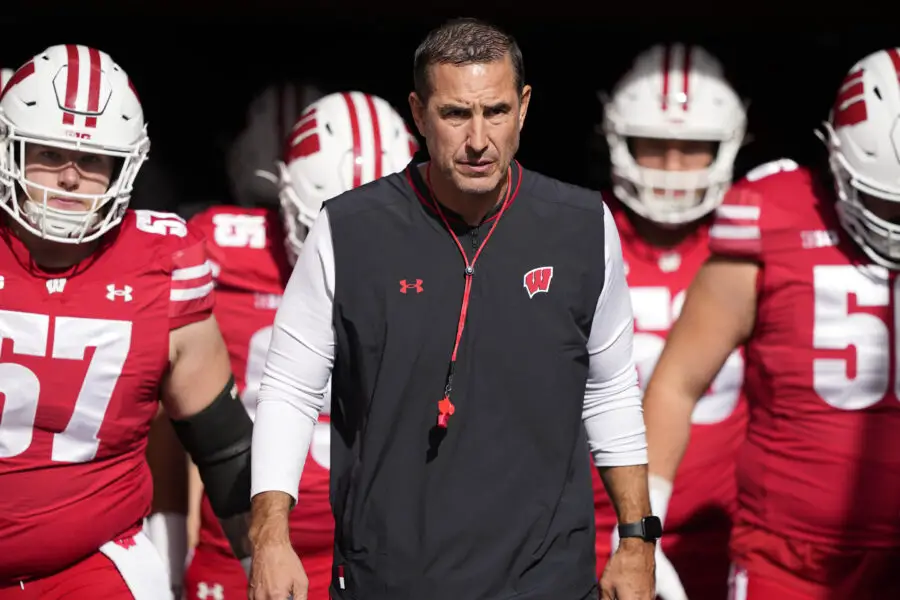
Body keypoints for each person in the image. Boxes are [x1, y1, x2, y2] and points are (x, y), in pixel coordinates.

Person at [248, 17, 657, 600]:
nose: (478, 139)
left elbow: (611, 389)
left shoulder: (584, 227)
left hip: (548, 581)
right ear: (418, 114)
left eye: (494, 111)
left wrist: (637, 541)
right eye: (455, 114)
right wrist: (269, 537)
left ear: (523, 107)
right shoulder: (347, 228)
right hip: (388, 578)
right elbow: (289, 386)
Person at [642, 47, 900, 599]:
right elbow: (677, 381)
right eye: (888, 205)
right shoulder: (775, 214)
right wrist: (643, 531)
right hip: (788, 560)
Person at [0, 44, 253, 599]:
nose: (69, 178)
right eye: (48, 152)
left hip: (89, 564)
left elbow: (224, 444)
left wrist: (262, 561)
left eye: (92, 160)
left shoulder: (159, 261)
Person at [183, 90, 417, 600]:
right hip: (249, 543)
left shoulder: (449, 261)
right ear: (284, 196)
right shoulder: (215, 248)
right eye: (327, 235)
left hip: (388, 545)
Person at [594, 44, 748, 600]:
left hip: (721, 538)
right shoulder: (573, 235)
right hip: (590, 536)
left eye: (693, 148)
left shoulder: (752, 244)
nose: (674, 167)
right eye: (654, 146)